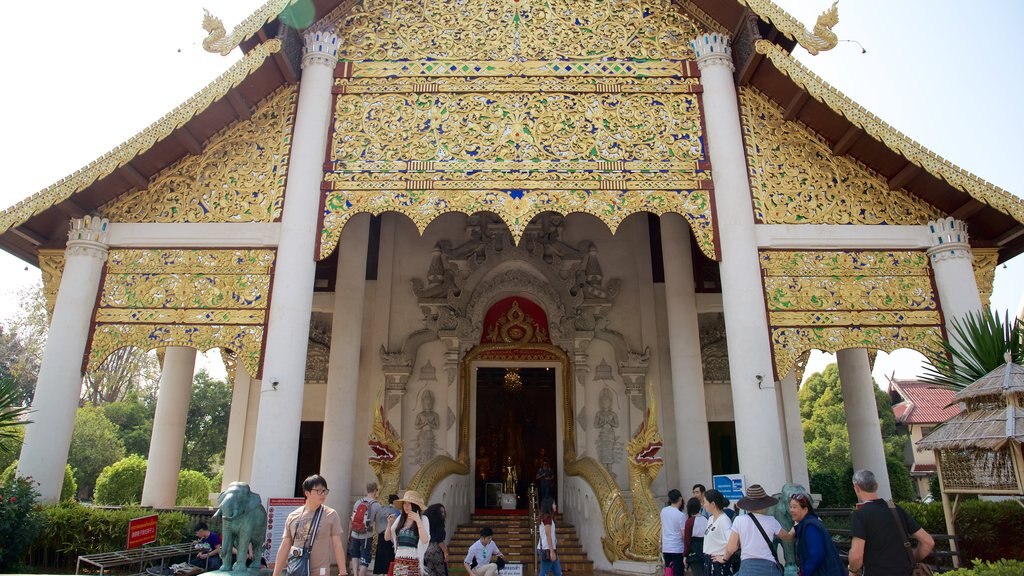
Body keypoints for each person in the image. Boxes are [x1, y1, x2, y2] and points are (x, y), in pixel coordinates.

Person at [848, 469, 934, 576]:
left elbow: (856, 556)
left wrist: (852, 570)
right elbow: (928, 542)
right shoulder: (896, 509)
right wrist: (911, 559)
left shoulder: (860, 515)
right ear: (877, 486)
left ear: (856, 488)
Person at [273, 474, 349, 576]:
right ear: (307, 493)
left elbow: (337, 544)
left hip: (320, 571)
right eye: (318, 491)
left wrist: (343, 571)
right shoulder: (293, 516)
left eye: (324, 491)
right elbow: (285, 545)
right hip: (297, 569)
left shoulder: (331, 514)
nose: (322, 494)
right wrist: (276, 573)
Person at [714, 484, 794, 576]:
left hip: (747, 568)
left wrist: (723, 559)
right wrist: (795, 525)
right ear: (766, 504)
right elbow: (788, 537)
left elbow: (732, 548)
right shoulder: (771, 521)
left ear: (747, 504)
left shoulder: (739, 520)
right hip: (769, 568)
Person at [789, 493, 844, 576]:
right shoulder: (807, 524)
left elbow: (816, 556)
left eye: (795, 507)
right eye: (791, 507)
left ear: (805, 510)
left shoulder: (810, 526)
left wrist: (804, 573)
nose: (791, 510)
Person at [385, 490, 431, 576]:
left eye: (409, 504)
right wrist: (389, 524)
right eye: (404, 503)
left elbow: (425, 540)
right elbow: (387, 538)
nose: (406, 506)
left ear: (415, 506)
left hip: (413, 564)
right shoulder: (400, 519)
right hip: (399, 563)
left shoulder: (423, 519)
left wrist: (418, 521)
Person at [351, 483, 383, 576]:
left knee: (355, 555)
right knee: (365, 558)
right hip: (366, 535)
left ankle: (355, 574)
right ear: (375, 491)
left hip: (354, 533)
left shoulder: (358, 502)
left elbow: (352, 518)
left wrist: (350, 532)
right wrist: (377, 534)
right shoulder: (377, 505)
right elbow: (378, 523)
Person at [702, 489, 735, 576]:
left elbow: (732, 542)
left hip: (718, 563)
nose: (703, 505)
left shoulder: (724, 520)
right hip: (709, 560)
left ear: (712, 504)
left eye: (705, 502)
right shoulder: (710, 519)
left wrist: (724, 558)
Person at [661, 489, 687, 576]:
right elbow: (683, 534)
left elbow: (662, 528)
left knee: (668, 571)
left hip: (666, 547)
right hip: (677, 548)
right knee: (678, 572)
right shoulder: (681, 515)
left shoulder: (663, 511)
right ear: (680, 499)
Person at [373, 495, 400, 576]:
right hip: (390, 539)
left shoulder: (381, 510)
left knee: (381, 560)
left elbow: (376, 523)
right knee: (389, 563)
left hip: (381, 537)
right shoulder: (397, 512)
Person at [537, 498, 562, 576]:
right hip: (547, 549)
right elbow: (548, 535)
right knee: (544, 572)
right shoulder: (547, 519)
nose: (555, 505)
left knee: (558, 572)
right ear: (549, 506)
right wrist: (551, 551)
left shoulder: (548, 518)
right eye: (554, 504)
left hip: (550, 548)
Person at [684, 497, 709, 576]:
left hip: (694, 551)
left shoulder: (689, 522)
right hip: (706, 549)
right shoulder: (706, 519)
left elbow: (687, 540)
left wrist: (685, 555)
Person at [423, 503, 449, 576]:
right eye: (441, 512)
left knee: (431, 573)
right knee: (441, 572)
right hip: (436, 550)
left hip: (427, 550)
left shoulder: (426, 523)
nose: (443, 514)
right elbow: (439, 540)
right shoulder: (439, 524)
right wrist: (445, 552)